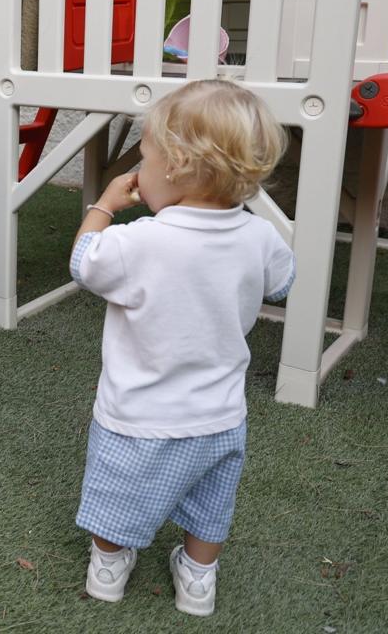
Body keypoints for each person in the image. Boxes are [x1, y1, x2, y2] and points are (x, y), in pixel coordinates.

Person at [68, 79, 294, 616]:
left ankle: (107, 567)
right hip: (218, 416)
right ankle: (197, 581)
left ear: (174, 164)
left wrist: (103, 205)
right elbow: (282, 285)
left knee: (117, 491)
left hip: (137, 415)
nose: (137, 171)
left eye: (142, 157)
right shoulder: (261, 237)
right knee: (210, 504)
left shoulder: (138, 240)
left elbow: (82, 262)